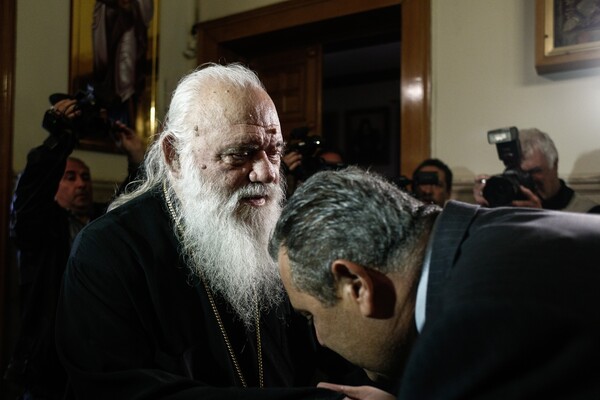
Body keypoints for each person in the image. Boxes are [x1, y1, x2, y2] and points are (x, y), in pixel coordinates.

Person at [54, 63, 358, 399]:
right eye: (240, 153)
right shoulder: (107, 251)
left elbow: (322, 352)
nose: (267, 173)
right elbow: (121, 390)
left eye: (274, 151)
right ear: (175, 156)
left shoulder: (275, 235)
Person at [270, 166, 600, 400]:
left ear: (356, 285)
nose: (320, 339)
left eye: (310, 316)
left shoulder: (462, 332)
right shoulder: (492, 226)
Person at [4, 97, 145, 400]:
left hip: (102, 352)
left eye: (85, 177)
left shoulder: (101, 222)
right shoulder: (41, 228)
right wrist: (60, 135)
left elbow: (131, 210)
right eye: (70, 178)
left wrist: (136, 157)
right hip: (49, 365)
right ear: (54, 188)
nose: (80, 184)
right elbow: (31, 191)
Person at [475, 128, 600, 213]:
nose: (525, 179)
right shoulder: (506, 207)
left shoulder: (588, 213)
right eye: (517, 173)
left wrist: (537, 218)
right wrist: (484, 212)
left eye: (534, 171)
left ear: (555, 164)